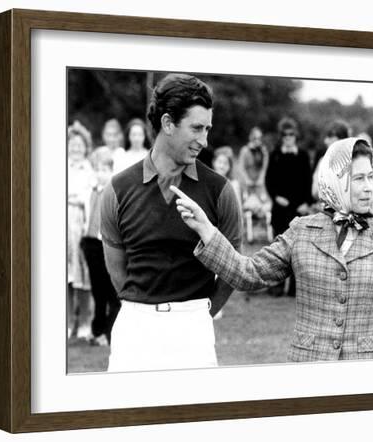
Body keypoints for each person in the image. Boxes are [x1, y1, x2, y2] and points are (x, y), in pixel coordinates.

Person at [172, 137, 373, 362]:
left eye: (370, 177)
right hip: (308, 368)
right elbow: (249, 274)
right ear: (336, 179)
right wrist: (206, 230)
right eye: (358, 179)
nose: (369, 187)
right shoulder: (302, 231)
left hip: (365, 376)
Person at [100, 73, 242, 371]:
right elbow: (117, 272)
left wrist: (200, 314)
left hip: (194, 331)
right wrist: (143, 308)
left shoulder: (220, 191)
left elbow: (232, 268)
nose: (205, 140)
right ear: (167, 123)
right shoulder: (116, 190)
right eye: (196, 128)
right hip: (134, 330)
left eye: (208, 129)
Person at [265, 117, 312, 296]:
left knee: (298, 249)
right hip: (280, 207)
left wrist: (305, 203)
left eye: (291, 135)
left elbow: (307, 179)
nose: (288, 138)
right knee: (278, 247)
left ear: (296, 136)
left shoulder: (303, 155)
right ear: (281, 136)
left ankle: (294, 288)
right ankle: (276, 286)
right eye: (285, 135)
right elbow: (269, 180)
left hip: (298, 208)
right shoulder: (275, 154)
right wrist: (276, 197)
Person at [79, 150, 121, 347]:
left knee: (111, 289)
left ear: (111, 171)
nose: (100, 173)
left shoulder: (113, 193)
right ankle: (97, 331)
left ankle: (110, 332)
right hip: (90, 243)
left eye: (104, 169)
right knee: (97, 290)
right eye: (97, 169)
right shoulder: (91, 191)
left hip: (107, 244)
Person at [67, 121, 95, 339]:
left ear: (86, 147)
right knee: (65, 275)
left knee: (83, 274)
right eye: (72, 144)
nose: (75, 148)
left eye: (79, 145)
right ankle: (67, 322)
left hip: (82, 224)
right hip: (63, 224)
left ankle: (85, 322)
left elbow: (90, 197)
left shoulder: (90, 170)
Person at [236, 126, 272, 243]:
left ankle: (264, 231)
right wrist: (247, 179)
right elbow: (241, 167)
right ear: (251, 137)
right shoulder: (245, 150)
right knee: (248, 204)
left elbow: (264, 167)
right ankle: (249, 232)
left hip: (260, 184)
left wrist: (261, 178)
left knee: (265, 204)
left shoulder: (263, 150)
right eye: (256, 137)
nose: (258, 140)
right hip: (248, 184)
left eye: (260, 137)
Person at [311, 119, 351, 201]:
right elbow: (315, 192)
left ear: (342, 139)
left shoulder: (354, 161)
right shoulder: (322, 161)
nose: (326, 141)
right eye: (326, 137)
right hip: (326, 210)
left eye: (330, 137)